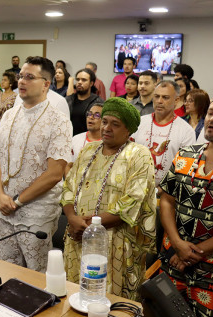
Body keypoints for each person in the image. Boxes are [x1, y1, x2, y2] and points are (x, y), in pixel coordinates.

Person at [158, 84, 213, 317]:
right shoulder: (186, 154)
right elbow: (166, 200)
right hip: (172, 260)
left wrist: (195, 252)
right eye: (211, 113)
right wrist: (178, 244)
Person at [61, 97, 156, 300]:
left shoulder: (139, 154)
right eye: (105, 121)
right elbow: (68, 187)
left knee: (110, 305)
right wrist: (71, 218)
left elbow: (132, 202)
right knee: (75, 297)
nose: (106, 128)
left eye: (115, 124)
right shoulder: (88, 150)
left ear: (128, 130)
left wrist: (89, 227)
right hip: (77, 236)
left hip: (115, 242)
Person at [0, 56, 72, 271]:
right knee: (8, 268)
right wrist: (0, 195)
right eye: (20, 76)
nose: (21, 82)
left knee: (37, 273)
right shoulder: (8, 115)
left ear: (46, 84)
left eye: (29, 77)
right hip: (5, 205)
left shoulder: (59, 120)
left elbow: (55, 173)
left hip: (36, 209)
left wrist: (17, 202)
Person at [131, 81, 195, 187]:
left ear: (176, 100)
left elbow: (185, 169)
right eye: (156, 96)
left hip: (167, 193)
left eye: (165, 97)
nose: (159, 101)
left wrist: (163, 190)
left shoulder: (186, 131)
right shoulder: (139, 122)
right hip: (135, 187)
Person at [66, 68, 104, 136]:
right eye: (78, 79)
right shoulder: (68, 100)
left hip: (89, 140)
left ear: (91, 83)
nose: (79, 82)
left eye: (84, 80)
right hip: (69, 139)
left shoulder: (98, 102)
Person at [68, 102, 103, 173]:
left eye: (96, 115)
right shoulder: (76, 139)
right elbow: (68, 165)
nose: (91, 117)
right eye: (89, 114)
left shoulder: (108, 143)